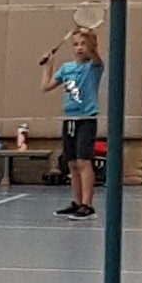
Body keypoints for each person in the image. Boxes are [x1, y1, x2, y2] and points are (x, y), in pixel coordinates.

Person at [42, 26, 104, 218]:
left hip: (86, 119)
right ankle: (76, 203)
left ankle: (87, 205)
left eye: (83, 44)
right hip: (69, 119)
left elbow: (95, 56)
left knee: (84, 161)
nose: (79, 47)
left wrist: (90, 40)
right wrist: (48, 65)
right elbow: (45, 86)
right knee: (72, 163)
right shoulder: (66, 68)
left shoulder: (94, 67)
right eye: (76, 44)